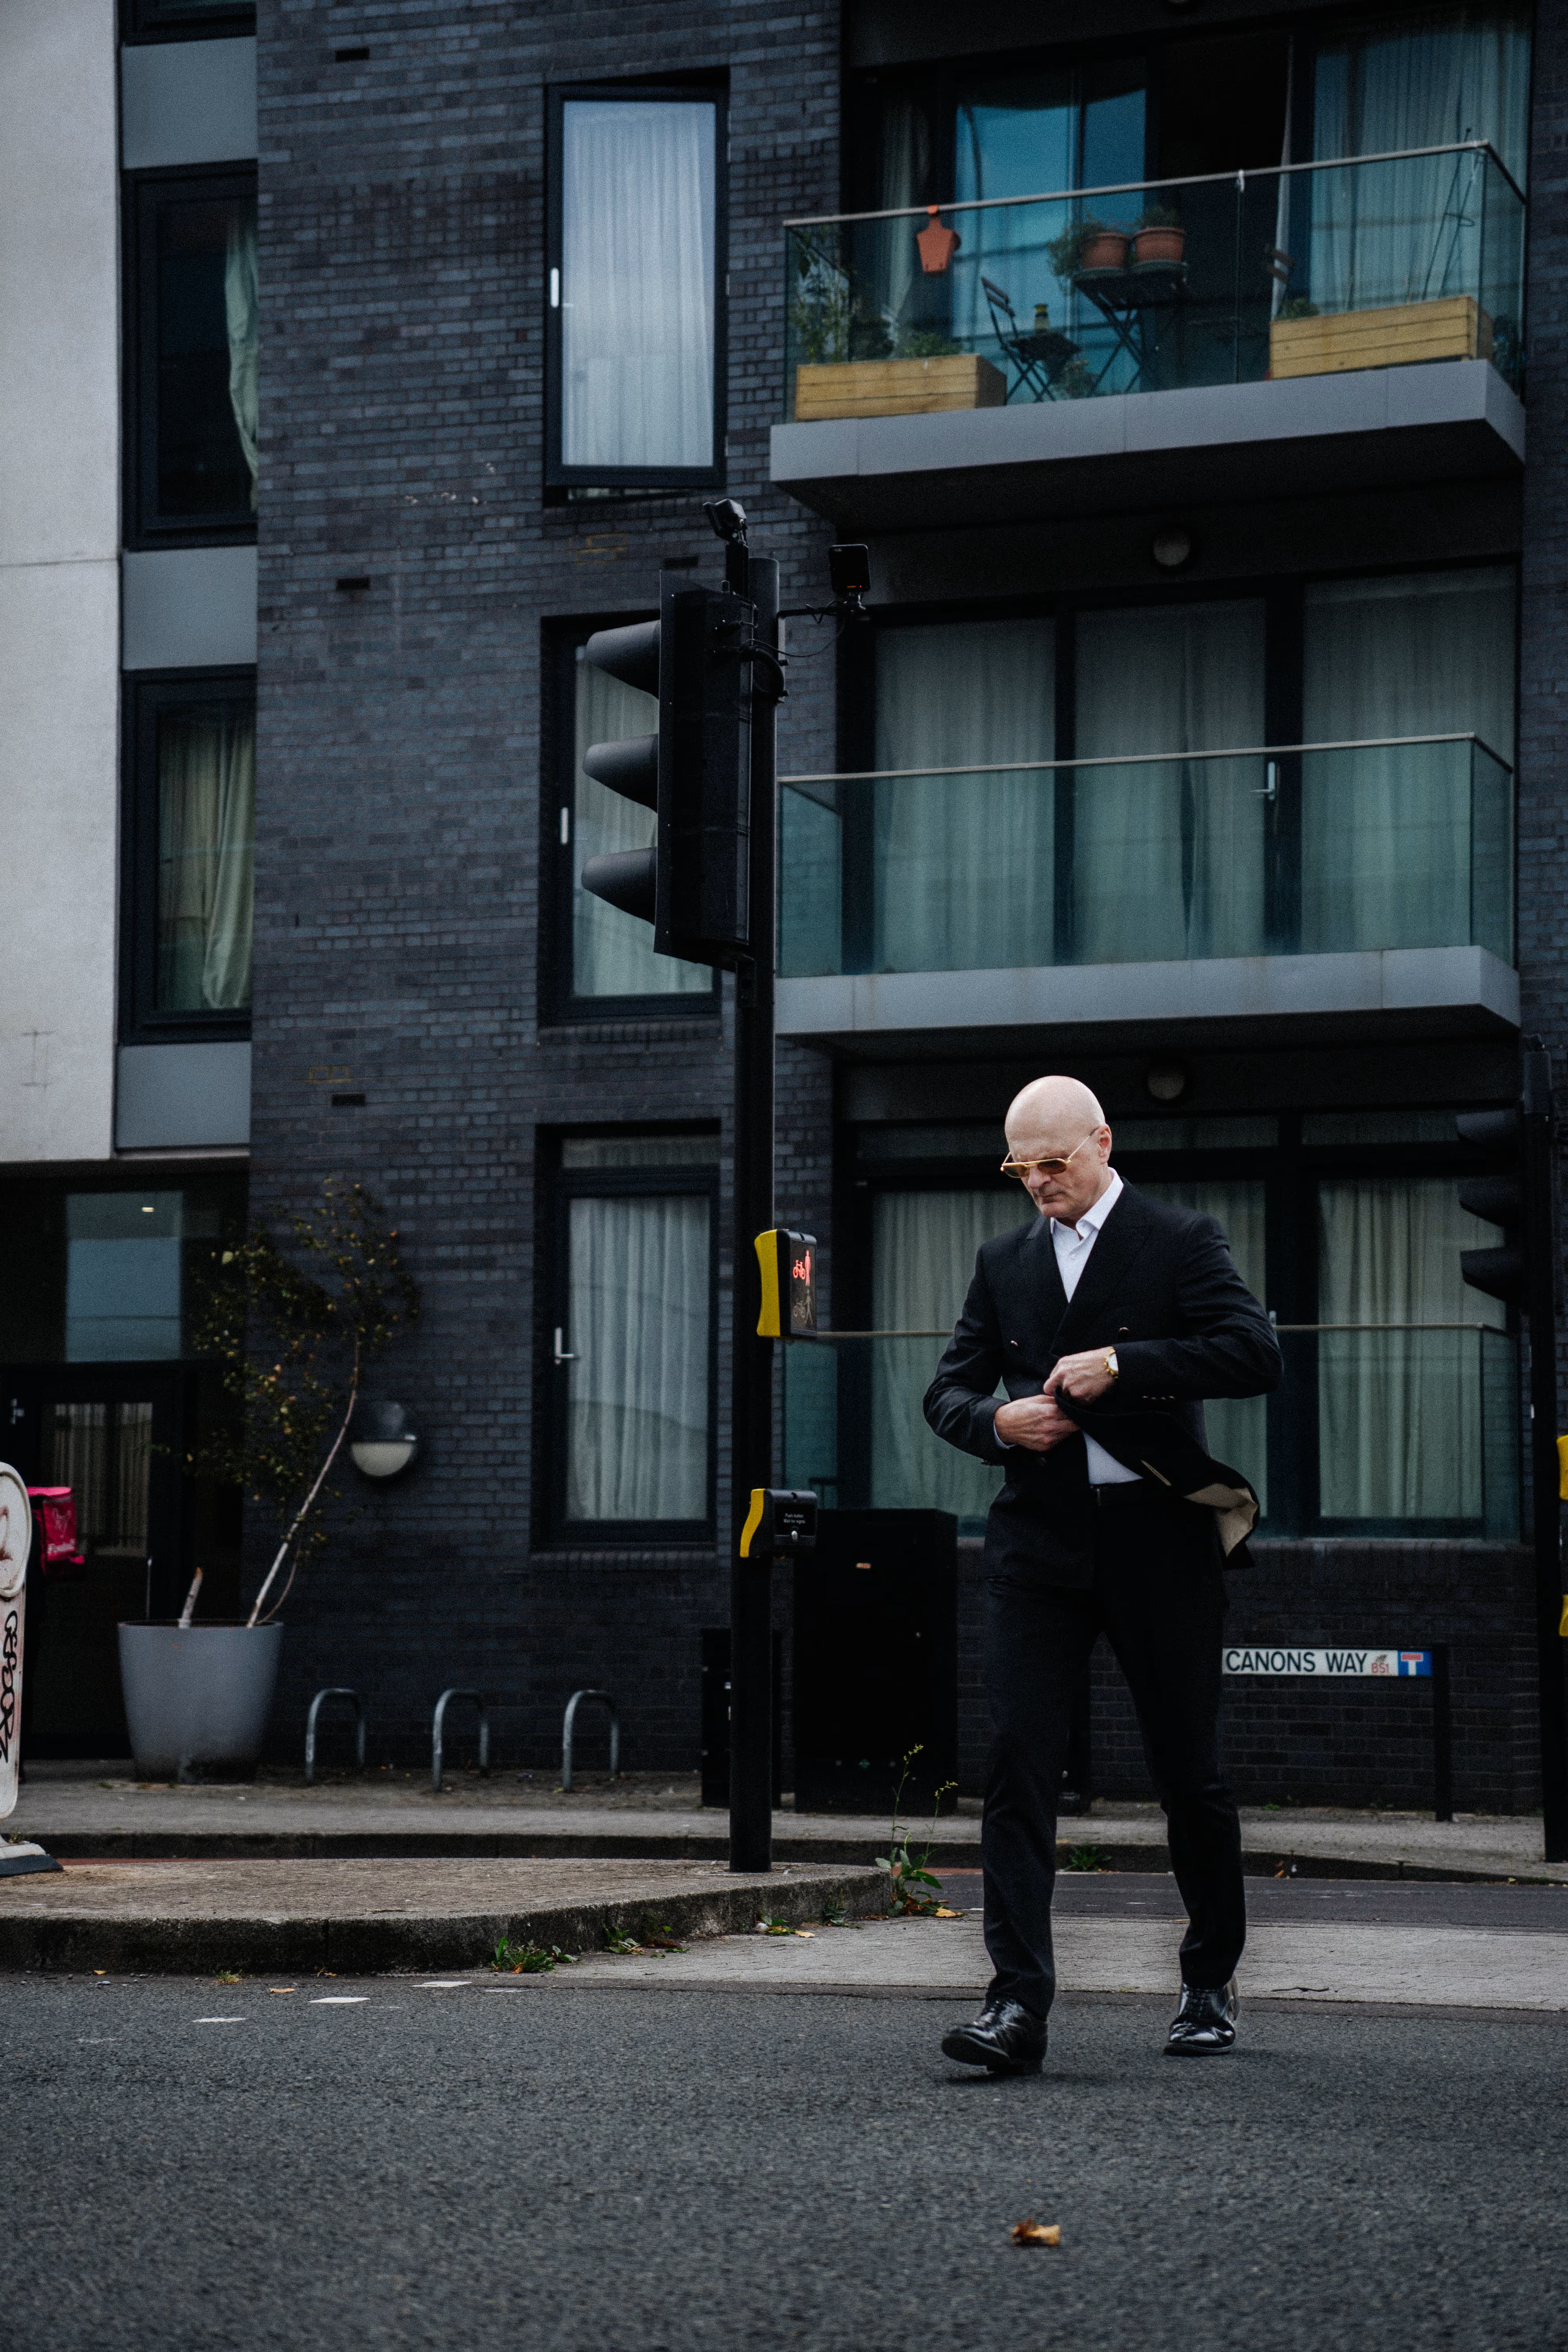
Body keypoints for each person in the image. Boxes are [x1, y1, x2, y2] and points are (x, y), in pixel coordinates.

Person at [924, 1074, 1282, 2071]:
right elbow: (946, 1390)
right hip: (1038, 1544)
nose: (1038, 1182)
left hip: (1159, 1540)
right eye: (1020, 1167)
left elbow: (1254, 1355)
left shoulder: (1179, 1239)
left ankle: (1209, 1979)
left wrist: (1125, 1366)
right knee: (1017, 1766)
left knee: (1188, 1772)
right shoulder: (1005, 1263)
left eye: (1054, 1162)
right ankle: (1016, 2005)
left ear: (1101, 1143)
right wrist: (996, 1422)